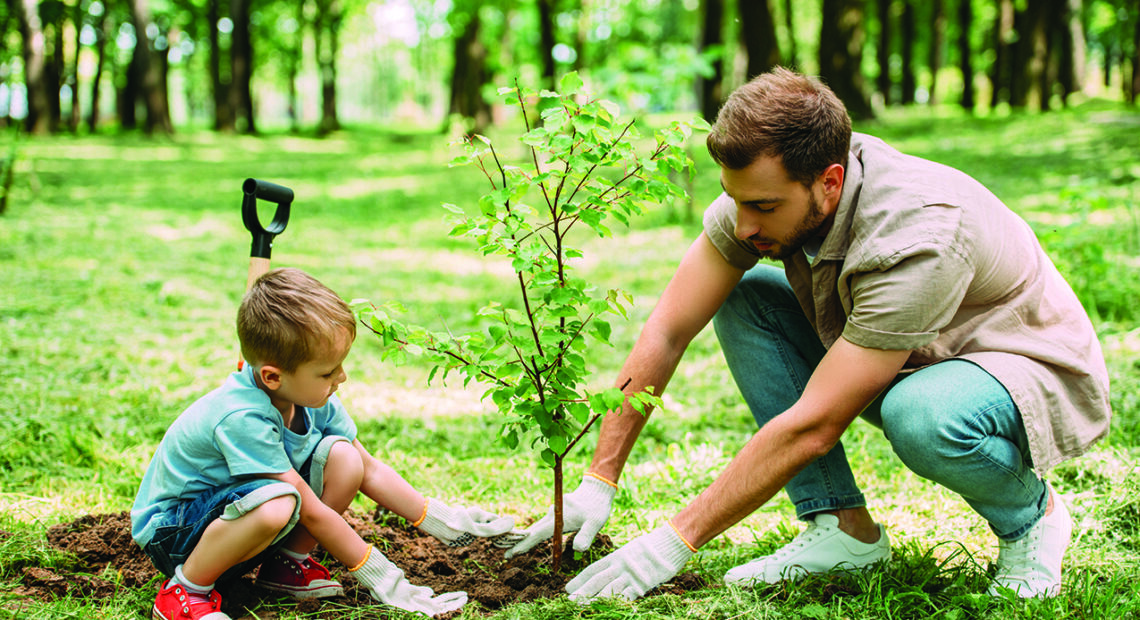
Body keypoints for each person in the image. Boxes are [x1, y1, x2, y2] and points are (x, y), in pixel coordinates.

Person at [505, 67, 1111, 602]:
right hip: (909, 350)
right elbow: (668, 328)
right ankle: (843, 531)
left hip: (1017, 365)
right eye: (735, 200)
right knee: (745, 296)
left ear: (829, 181)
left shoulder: (917, 235)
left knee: (920, 414)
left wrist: (674, 540)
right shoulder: (764, 192)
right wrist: (598, 480)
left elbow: (815, 425)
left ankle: (1031, 518)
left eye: (764, 208)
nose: (744, 225)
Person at [132, 268, 518, 620]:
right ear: (272, 377)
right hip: (175, 533)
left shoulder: (310, 397)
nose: (342, 377)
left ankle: (285, 565)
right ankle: (185, 591)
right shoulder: (242, 417)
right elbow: (311, 510)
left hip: (235, 520)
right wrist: (384, 577)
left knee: (345, 459)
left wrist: (443, 520)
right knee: (280, 501)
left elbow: (369, 469)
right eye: (328, 371)